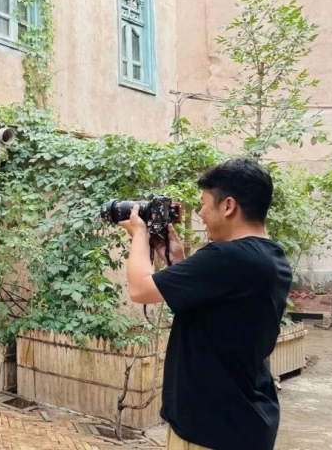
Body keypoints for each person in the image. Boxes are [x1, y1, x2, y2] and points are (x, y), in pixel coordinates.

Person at [118, 158, 292, 450]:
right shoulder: (269, 256)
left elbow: (139, 289)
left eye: (204, 204)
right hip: (240, 418)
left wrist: (139, 234)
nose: (200, 213)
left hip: (211, 429)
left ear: (228, 206)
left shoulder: (229, 257)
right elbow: (217, 309)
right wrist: (177, 260)